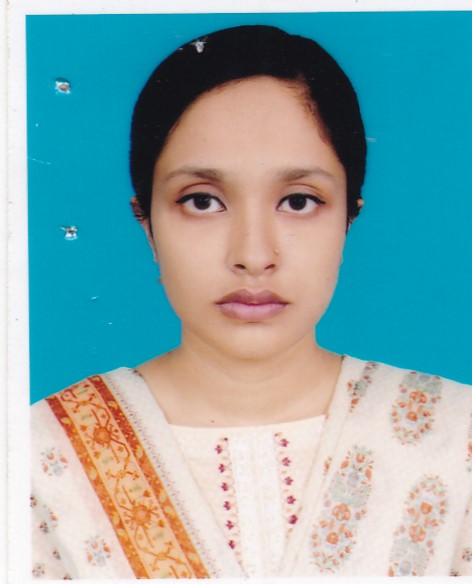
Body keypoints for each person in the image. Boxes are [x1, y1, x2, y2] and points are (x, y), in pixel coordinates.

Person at [30, 25, 472, 579]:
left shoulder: (457, 439)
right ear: (146, 223)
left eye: (298, 201)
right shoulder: (36, 457)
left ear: (348, 218)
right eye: (202, 201)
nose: (254, 255)